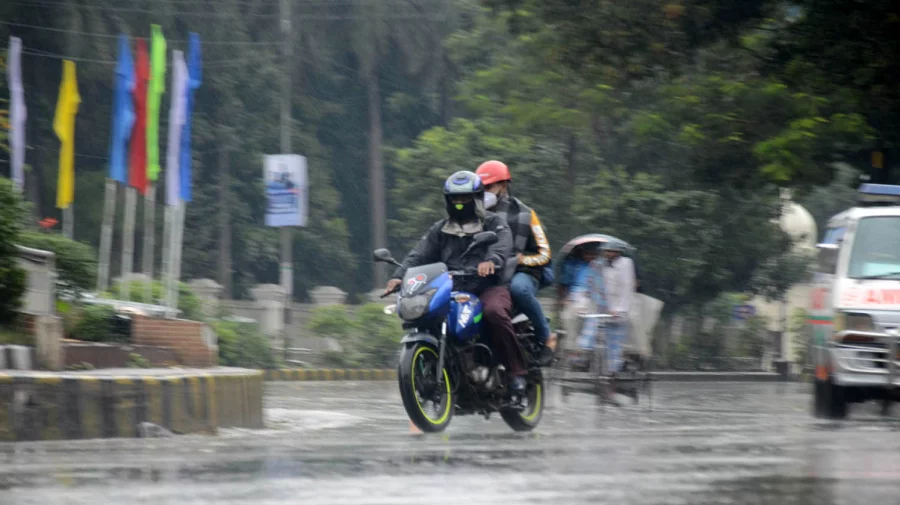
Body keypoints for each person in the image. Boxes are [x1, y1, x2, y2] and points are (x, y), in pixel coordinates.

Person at [384, 171, 529, 392]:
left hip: (488, 285)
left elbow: (502, 243)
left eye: (464, 198)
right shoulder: (440, 229)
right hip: (452, 286)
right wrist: (398, 275)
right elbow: (419, 254)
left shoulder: (493, 222)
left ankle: (516, 371)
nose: (459, 203)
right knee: (429, 315)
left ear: (477, 197)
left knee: (494, 313)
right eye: (454, 199)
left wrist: (491, 260)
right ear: (447, 200)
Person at [475, 160, 555, 364]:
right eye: (481, 188)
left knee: (519, 289)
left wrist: (521, 259)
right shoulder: (474, 215)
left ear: (503, 185)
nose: (484, 192)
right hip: (489, 272)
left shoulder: (527, 214)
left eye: (489, 187)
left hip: (524, 271)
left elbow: (545, 254)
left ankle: (547, 337)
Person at [598, 239, 636, 376]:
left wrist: (620, 310)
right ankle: (603, 369)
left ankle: (614, 370)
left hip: (620, 311)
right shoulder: (603, 265)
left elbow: (627, 287)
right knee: (604, 342)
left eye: (609, 251)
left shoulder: (626, 263)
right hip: (606, 310)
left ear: (617, 252)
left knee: (617, 342)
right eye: (605, 251)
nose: (606, 253)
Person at [557, 243, 602, 352]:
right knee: (567, 317)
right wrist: (564, 298)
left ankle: (585, 346)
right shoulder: (573, 265)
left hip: (593, 297)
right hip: (574, 296)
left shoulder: (600, 266)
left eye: (593, 254)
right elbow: (564, 284)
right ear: (582, 253)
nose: (590, 257)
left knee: (590, 318)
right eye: (587, 254)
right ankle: (572, 345)